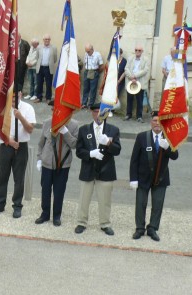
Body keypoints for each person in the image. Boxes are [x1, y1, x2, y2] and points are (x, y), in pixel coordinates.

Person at [129, 112, 178, 241]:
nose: (157, 123)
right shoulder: (142, 137)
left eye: (159, 121)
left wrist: (167, 147)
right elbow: (134, 160)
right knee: (140, 203)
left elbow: (175, 156)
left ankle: (152, 228)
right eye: (155, 120)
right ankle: (139, 228)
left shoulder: (168, 137)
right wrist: (133, 179)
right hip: (143, 177)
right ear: (151, 122)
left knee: (157, 204)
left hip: (160, 178)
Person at [74, 104, 121, 235]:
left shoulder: (113, 130)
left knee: (105, 200)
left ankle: (105, 223)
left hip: (106, 170)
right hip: (88, 169)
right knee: (84, 198)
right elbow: (79, 151)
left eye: (101, 112)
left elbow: (117, 150)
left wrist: (109, 143)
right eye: (96, 112)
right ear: (92, 113)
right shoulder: (84, 129)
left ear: (106, 114)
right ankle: (81, 222)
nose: (98, 115)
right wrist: (90, 154)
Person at [0, 94, 36, 218]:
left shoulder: (28, 108)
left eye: (16, 96)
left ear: (20, 94)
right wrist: (9, 141)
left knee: (19, 178)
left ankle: (17, 205)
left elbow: (30, 129)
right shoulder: (3, 107)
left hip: (21, 146)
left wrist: (20, 117)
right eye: (12, 97)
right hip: (6, 145)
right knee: (2, 176)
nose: (14, 99)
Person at [35, 117, 79, 226]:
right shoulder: (47, 122)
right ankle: (45, 214)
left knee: (59, 191)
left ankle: (56, 216)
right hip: (47, 162)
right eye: (54, 108)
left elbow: (74, 144)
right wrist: (39, 159)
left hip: (63, 164)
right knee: (45, 190)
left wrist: (66, 132)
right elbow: (41, 143)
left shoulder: (74, 125)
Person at [124, 45, 150, 122]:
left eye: (139, 50)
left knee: (139, 100)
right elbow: (126, 68)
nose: (137, 52)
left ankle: (139, 116)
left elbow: (145, 70)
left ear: (142, 51)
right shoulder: (130, 58)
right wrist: (131, 77)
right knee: (129, 99)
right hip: (130, 81)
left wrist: (135, 76)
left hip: (140, 82)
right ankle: (128, 114)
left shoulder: (146, 59)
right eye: (136, 50)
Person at [34, 35, 58, 103]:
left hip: (48, 68)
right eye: (45, 39)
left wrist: (49, 63)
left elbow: (55, 59)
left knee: (48, 84)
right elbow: (37, 57)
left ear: (50, 40)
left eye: (48, 39)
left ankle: (48, 98)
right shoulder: (39, 47)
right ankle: (39, 97)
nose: (47, 40)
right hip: (40, 68)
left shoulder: (54, 48)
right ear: (43, 40)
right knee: (39, 83)